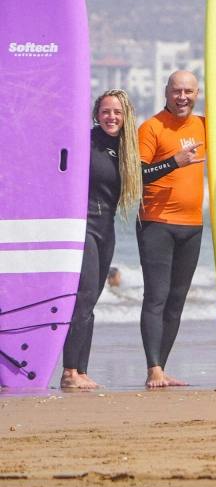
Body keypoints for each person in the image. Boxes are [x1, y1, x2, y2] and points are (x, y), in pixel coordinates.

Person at [135, 69, 206, 388]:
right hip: (157, 224)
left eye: (188, 92)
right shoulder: (152, 127)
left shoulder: (205, 125)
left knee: (177, 299)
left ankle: (161, 366)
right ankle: (153, 369)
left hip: (192, 225)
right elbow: (138, 175)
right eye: (177, 91)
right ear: (166, 92)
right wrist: (174, 162)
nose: (182, 97)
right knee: (156, 297)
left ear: (197, 93)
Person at [64, 89, 139, 390]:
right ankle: (69, 371)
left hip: (105, 226)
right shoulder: (85, 141)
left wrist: (175, 161)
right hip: (83, 224)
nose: (111, 117)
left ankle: (81, 369)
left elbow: (146, 172)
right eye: (106, 111)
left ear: (126, 117)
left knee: (92, 298)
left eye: (117, 112)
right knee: (83, 297)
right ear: (96, 114)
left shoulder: (126, 149)